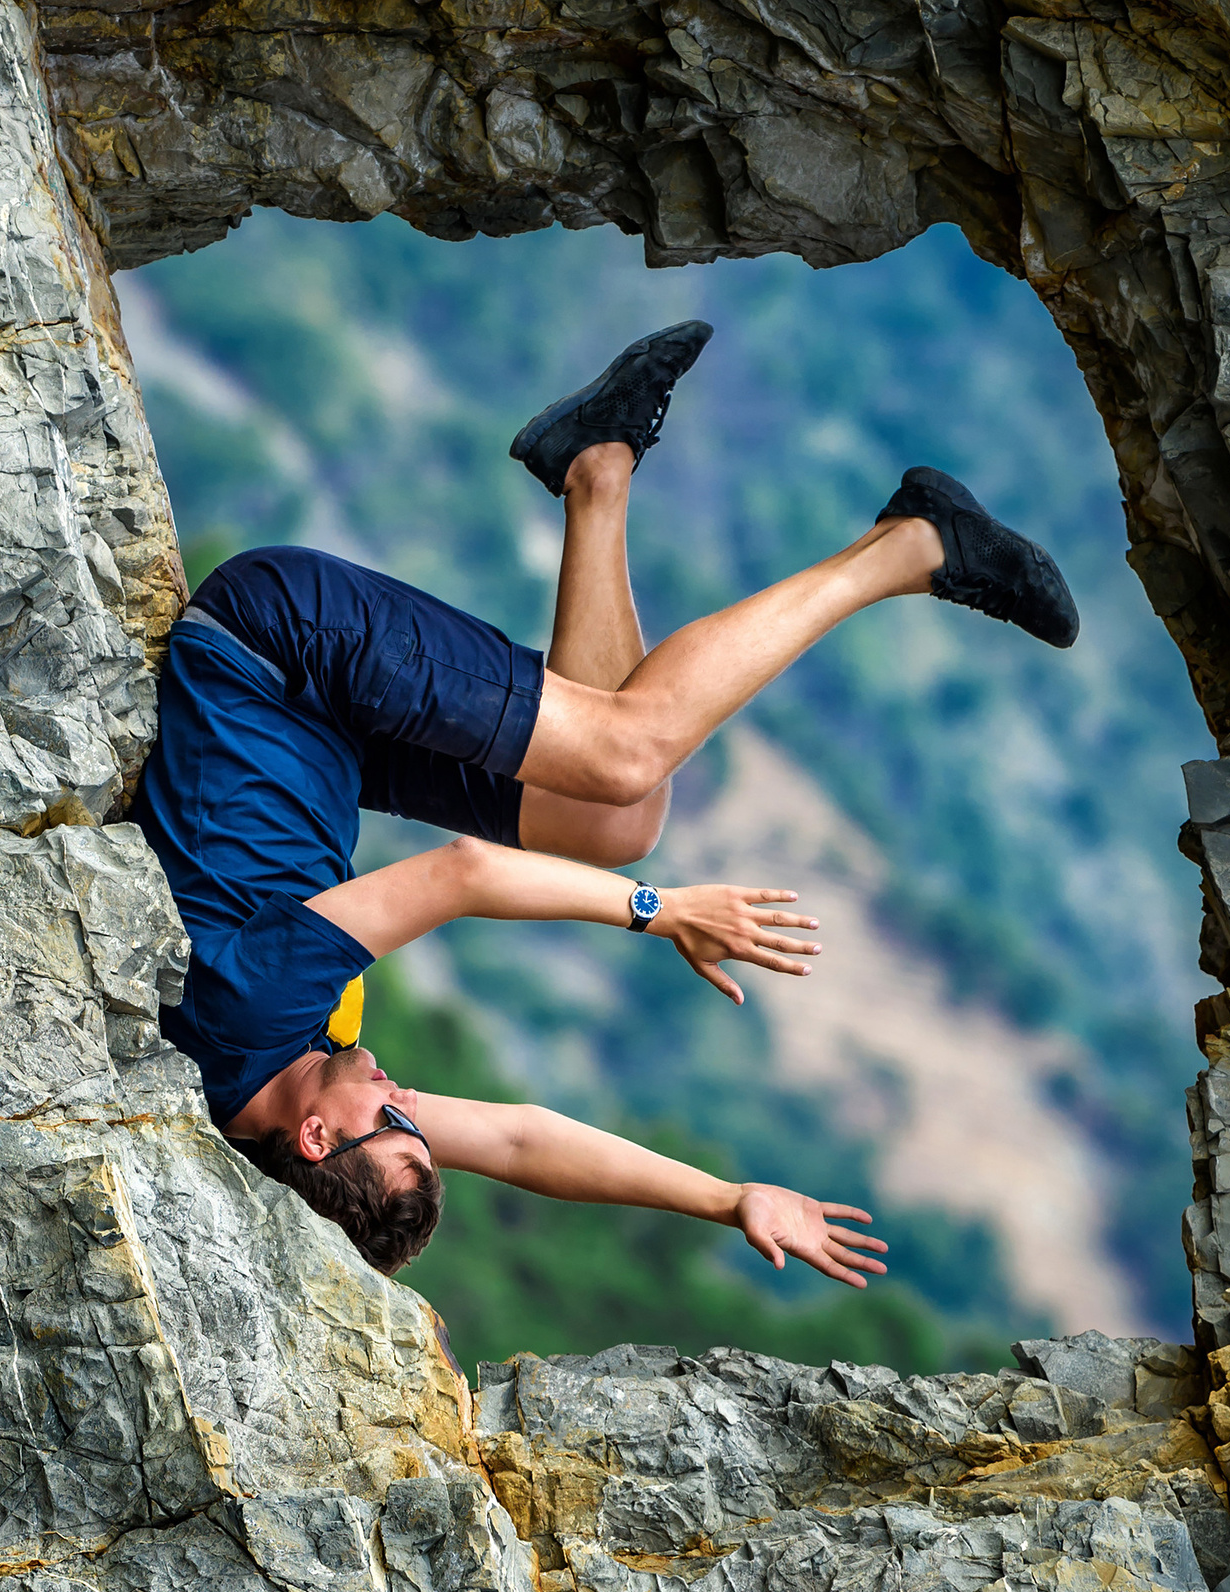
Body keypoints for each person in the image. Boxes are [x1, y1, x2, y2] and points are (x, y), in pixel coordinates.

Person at [129, 321, 1078, 1280]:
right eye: (416, 1124)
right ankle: (597, 467)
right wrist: (729, 1198)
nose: (406, 1099)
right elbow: (520, 1144)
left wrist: (662, 913)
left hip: (278, 650)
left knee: (629, 752)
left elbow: (461, 875)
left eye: (395, 1122)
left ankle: (912, 543)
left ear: (321, 1141)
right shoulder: (293, 1103)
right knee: (617, 821)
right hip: (334, 744)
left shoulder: (243, 1022)